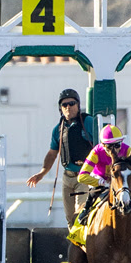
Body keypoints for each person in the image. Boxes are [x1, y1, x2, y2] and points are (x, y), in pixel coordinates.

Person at [25, 88, 98, 227]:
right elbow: (52, 153)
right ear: (60, 108)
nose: (68, 107)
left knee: (81, 214)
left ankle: (85, 245)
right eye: (64, 105)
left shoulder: (88, 122)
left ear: (78, 105)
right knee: (70, 218)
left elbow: (100, 148)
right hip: (67, 177)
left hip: (85, 175)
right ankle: (75, 246)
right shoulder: (58, 129)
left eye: (72, 103)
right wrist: (42, 173)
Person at [73, 125, 131, 228]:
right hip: (101, 180)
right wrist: (101, 182)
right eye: (109, 146)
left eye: (117, 145)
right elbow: (81, 176)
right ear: (102, 145)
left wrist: (125, 181)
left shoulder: (128, 150)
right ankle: (86, 209)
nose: (114, 150)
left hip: (121, 182)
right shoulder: (96, 152)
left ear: (121, 142)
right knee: (93, 193)